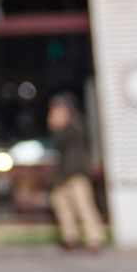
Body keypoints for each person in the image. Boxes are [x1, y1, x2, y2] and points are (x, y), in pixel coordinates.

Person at [47, 95, 104, 250]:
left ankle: (94, 238)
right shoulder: (63, 128)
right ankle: (70, 237)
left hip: (76, 172)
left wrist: (58, 125)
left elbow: (68, 140)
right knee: (61, 204)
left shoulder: (74, 125)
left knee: (83, 205)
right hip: (62, 174)